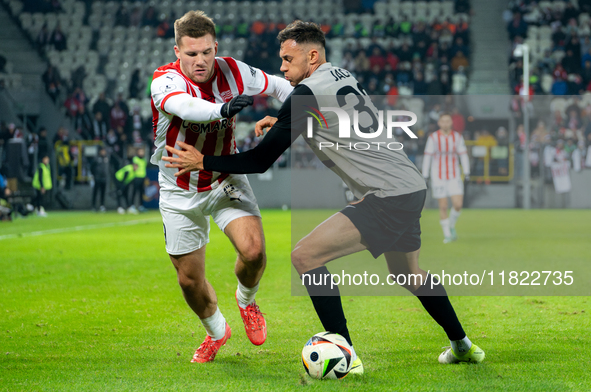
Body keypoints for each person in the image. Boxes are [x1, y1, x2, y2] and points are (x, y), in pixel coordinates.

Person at [162, 20, 485, 372]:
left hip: (386, 194)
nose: (282, 67)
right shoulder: (341, 75)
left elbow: (258, 160)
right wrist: (284, 119)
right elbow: (331, 117)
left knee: (305, 256)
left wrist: (202, 160)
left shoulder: (304, 95)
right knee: (409, 274)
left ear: (312, 55)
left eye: (288, 59)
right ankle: (463, 346)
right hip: (410, 185)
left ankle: (344, 353)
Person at [149, 11, 293, 363]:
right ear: (177, 51)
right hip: (178, 189)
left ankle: (247, 301)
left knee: (254, 252)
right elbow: (186, 107)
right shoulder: (164, 81)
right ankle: (217, 331)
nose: (200, 61)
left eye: (206, 52)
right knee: (189, 281)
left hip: (223, 176)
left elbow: (281, 86)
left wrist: (289, 115)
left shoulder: (234, 70)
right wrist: (224, 109)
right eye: (191, 54)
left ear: (216, 47)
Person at [422, 113, 470, 243]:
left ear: (451, 123)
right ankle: (447, 234)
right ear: (439, 123)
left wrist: (467, 172)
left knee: (458, 204)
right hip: (438, 176)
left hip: (454, 176)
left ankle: (451, 225)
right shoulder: (433, 138)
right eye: (442, 121)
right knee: (443, 206)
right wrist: (425, 175)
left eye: (447, 121)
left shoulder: (457, 137)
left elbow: (463, 155)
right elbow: (428, 156)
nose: (445, 123)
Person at [91, 147, 109, 212]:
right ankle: (93, 206)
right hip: (97, 178)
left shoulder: (106, 158)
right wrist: (94, 175)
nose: (103, 152)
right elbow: (92, 167)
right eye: (102, 151)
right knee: (95, 192)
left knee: (103, 193)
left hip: (104, 178)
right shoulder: (96, 158)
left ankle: (102, 205)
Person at [130, 148, 147, 212]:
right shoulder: (135, 159)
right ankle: (132, 206)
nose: (141, 153)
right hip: (136, 177)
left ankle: (141, 206)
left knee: (141, 192)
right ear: (137, 153)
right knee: (134, 192)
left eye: (142, 151)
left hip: (142, 177)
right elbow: (134, 168)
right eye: (140, 152)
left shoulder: (144, 160)